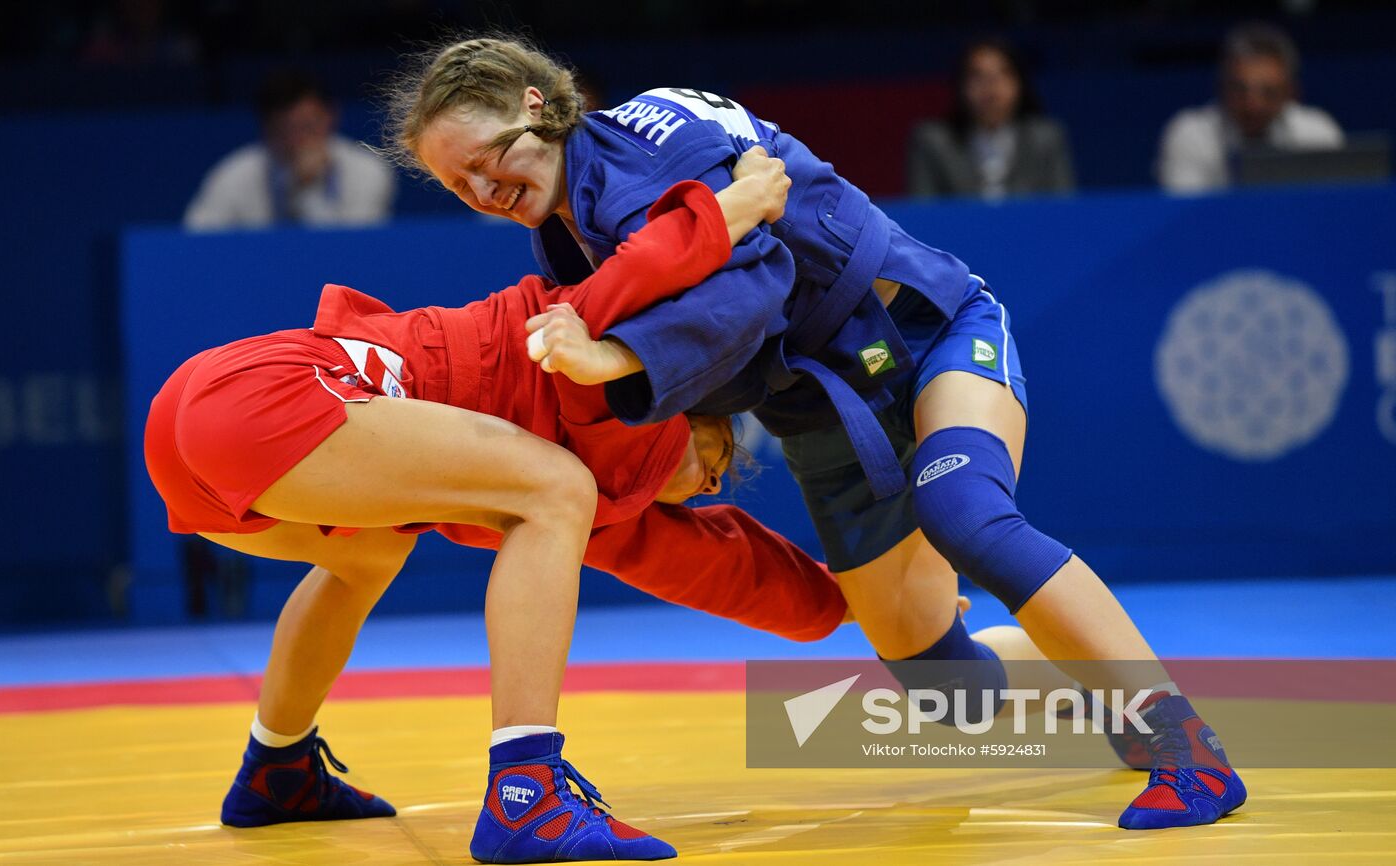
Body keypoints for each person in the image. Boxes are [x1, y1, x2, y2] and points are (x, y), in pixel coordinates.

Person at [384, 34, 1247, 831]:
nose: (486, 192)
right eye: (460, 187)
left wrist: (611, 358)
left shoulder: (648, 155)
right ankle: (1103, 690)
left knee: (965, 512)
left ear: (536, 105)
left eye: (488, 161)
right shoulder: (574, 227)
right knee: (949, 689)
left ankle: (1187, 746)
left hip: (920, 337)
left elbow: (753, 287)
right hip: (822, 407)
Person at [147, 152, 848, 862]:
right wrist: (738, 205)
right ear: (684, 403)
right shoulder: (611, 383)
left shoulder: (600, 478)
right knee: (557, 489)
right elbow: (636, 274)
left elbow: (713, 566)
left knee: (371, 551)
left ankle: (278, 767)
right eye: (716, 460)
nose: (707, 486)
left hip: (201, 419)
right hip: (266, 400)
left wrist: (855, 601)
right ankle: (526, 796)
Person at [184, 68, 396, 230]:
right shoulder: (233, 175)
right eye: (285, 130)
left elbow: (354, 250)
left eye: (308, 126)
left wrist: (307, 187)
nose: (299, 141)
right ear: (266, 129)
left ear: (331, 116)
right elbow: (198, 242)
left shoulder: (368, 171)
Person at [1157, 21, 1344, 193]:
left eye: (1268, 92)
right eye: (1240, 90)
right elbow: (1185, 214)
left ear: (1291, 93)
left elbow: (1330, 206)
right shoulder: (1190, 134)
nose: (1253, 105)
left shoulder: (1317, 133)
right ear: (1221, 87)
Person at [907, 37, 1075, 200]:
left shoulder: (1046, 139)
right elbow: (924, 211)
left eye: (1002, 74)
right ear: (961, 84)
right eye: (977, 76)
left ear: (1019, 83)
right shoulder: (933, 142)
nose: (990, 86)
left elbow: (1063, 209)